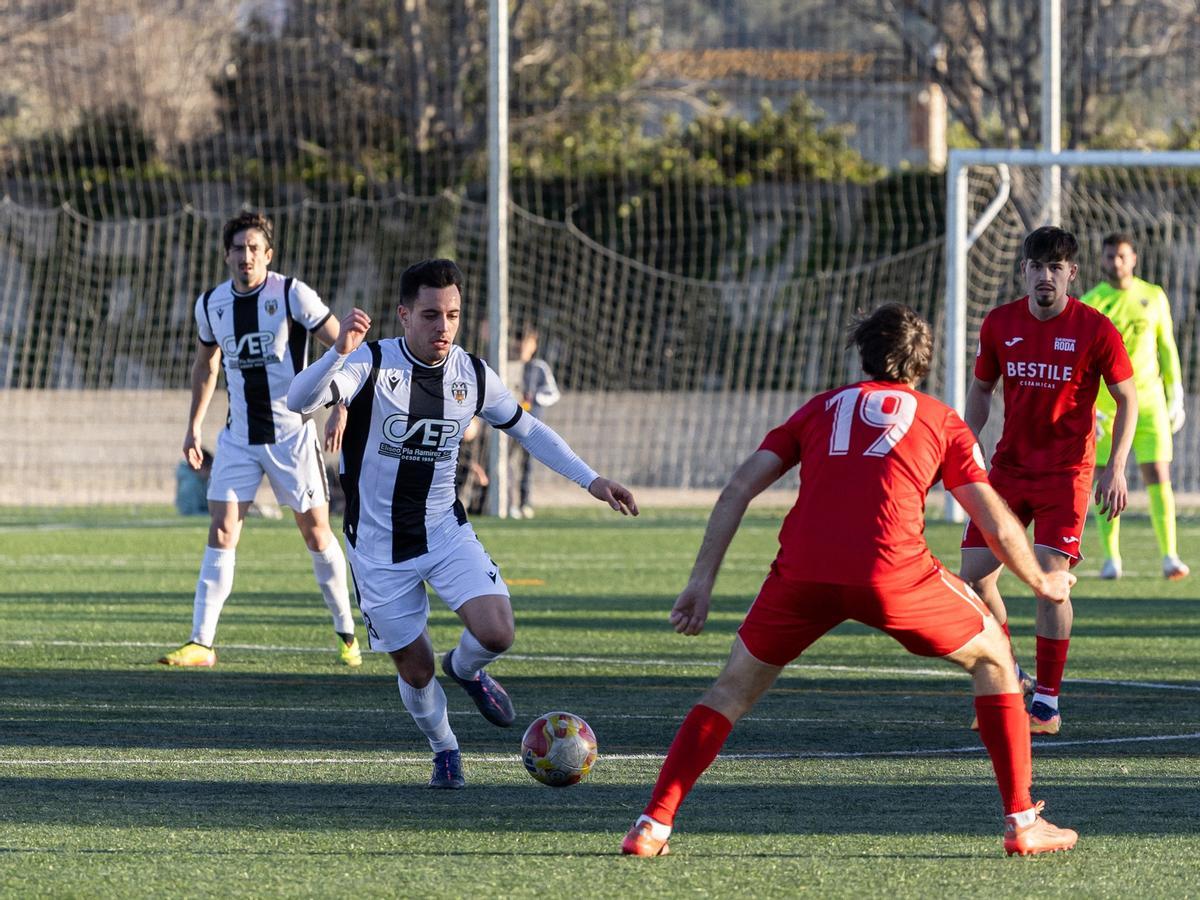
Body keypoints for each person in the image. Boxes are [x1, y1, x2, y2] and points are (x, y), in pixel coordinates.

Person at [621, 303, 1078, 859]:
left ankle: (652, 825)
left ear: (862, 355)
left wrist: (700, 582)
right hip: (895, 576)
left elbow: (738, 488)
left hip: (803, 576)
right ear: (923, 365)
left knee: (730, 691)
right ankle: (1022, 822)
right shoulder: (941, 420)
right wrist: (1042, 582)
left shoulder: (818, 409)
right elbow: (993, 516)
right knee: (995, 656)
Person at [286, 258, 637, 789]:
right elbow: (298, 400)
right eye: (430, 315)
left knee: (497, 632)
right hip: (379, 549)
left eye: (452, 314)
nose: (443, 327)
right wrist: (339, 352)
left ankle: (467, 668)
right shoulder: (373, 364)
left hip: (445, 531)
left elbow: (529, 429)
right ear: (404, 316)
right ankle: (445, 747)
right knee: (415, 669)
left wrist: (592, 480)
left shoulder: (471, 374)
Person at [160, 211, 361, 669]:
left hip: (292, 436)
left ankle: (347, 631)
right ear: (226, 254)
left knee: (315, 534)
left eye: (254, 248)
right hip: (238, 438)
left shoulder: (292, 294)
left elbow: (344, 350)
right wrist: (193, 425)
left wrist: (341, 406)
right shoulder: (211, 304)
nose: (245, 256)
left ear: (268, 255)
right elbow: (206, 366)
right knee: (222, 528)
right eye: (238, 248)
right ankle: (201, 643)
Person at [959, 226, 1136, 735]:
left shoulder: (1097, 328)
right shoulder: (998, 324)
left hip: (1066, 474)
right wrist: (963, 447)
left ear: (1071, 274)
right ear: (1024, 272)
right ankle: (1012, 676)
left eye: (1055, 268)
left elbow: (1128, 398)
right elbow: (980, 390)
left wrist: (1116, 466)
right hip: (1008, 471)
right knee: (973, 577)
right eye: (1036, 267)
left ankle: (1048, 706)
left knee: (1049, 584)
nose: (1045, 276)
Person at [1081, 233, 1188, 581]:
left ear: (1134, 258)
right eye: (1110, 256)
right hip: (1105, 408)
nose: (1116, 262)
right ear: (1102, 259)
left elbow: (1167, 347)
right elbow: (1083, 362)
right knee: (1104, 478)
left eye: (1122, 256)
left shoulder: (1153, 296)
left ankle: (1170, 555)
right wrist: (1086, 407)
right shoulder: (1092, 302)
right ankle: (1111, 558)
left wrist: (1176, 394)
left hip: (1150, 403)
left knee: (1158, 474)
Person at [507, 326, 561, 518]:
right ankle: (509, 504)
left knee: (527, 465)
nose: (521, 346)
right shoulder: (507, 366)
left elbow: (553, 393)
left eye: (527, 342)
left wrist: (535, 398)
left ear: (534, 344)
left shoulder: (539, 367)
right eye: (519, 341)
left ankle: (525, 502)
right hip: (509, 426)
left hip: (532, 426)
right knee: (506, 464)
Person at [175, 447, 213, 516]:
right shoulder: (189, 484)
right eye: (209, 468)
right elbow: (189, 512)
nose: (211, 473)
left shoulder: (201, 480)